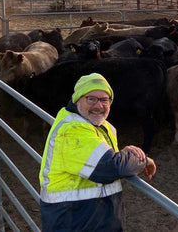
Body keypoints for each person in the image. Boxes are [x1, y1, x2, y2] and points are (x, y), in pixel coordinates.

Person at [39, 72, 156, 231]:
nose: (98, 105)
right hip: (74, 221)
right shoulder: (72, 130)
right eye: (91, 99)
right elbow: (111, 167)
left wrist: (121, 154)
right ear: (77, 99)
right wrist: (142, 160)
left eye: (104, 99)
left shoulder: (99, 126)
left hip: (91, 217)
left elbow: (104, 159)